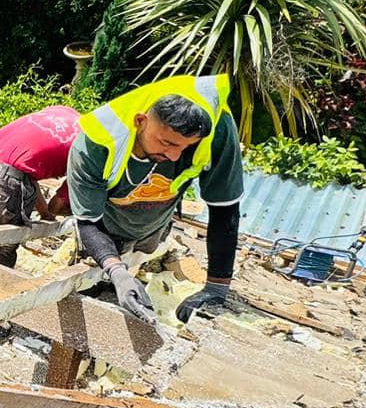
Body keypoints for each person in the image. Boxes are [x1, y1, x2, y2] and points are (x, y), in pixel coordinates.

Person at [68, 75, 243, 324]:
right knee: (89, 292)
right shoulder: (96, 143)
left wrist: (216, 287)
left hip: (153, 226)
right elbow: (88, 222)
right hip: (107, 227)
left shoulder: (218, 130)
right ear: (141, 121)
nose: (174, 156)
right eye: (166, 142)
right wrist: (116, 271)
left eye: (186, 147)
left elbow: (224, 209)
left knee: (134, 272)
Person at [0, 105, 80, 265]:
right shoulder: (91, 154)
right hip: (0, 179)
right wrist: (61, 215)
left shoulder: (67, 113)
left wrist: (44, 213)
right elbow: (58, 204)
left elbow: (25, 169)